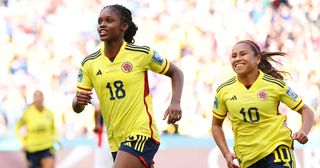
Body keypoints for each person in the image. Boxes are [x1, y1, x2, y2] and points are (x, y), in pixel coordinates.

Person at [72, 4, 184, 168]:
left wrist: (175, 102)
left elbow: (176, 73)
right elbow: (77, 107)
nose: (102, 24)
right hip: (116, 139)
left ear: (124, 26)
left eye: (109, 20)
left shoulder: (141, 54)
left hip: (142, 133)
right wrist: (78, 101)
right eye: (100, 21)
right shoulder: (89, 63)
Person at [211, 40, 314, 168]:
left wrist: (304, 131)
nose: (237, 59)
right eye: (234, 56)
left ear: (258, 59)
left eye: (243, 54)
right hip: (247, 157)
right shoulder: (223, 91)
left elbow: (306, 110)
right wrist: (226, 154)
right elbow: (216, 125)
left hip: (277, 150)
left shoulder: (274, 85)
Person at [16, 90, 56, 168]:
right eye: (36, 97)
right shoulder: (27, 112)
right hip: (32, 149)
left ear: (43, 99)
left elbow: (53, 129)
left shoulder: (49, 113)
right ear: (33, 99)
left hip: (47, 147)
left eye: (40, 97)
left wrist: (54, 140)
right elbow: (17, 127)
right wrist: (23, 143)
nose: (38, 99)